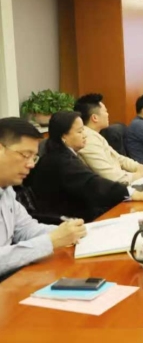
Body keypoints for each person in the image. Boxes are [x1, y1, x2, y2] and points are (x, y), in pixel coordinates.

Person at [26, 112, 143, 223]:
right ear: (64, 136)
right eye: (79, 132)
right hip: (73, 222)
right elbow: (92, 183)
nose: (85, 136)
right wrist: (134, 194)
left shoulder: (63, 154)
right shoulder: (61, 160)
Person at [0, 118, 87, 279]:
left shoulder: (6, 189)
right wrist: (50, 241)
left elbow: (26, 230)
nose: (31, 165)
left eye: (34, 157)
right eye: (25, 155)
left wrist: (69, 232)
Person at [74, 93, 143, 184]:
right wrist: (139, 175)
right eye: (105, 111)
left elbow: (119, 158)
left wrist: (140, 167)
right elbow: (111, 177)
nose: (108, 114)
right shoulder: (87, 140)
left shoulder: (95, 135)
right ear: (95, 118)